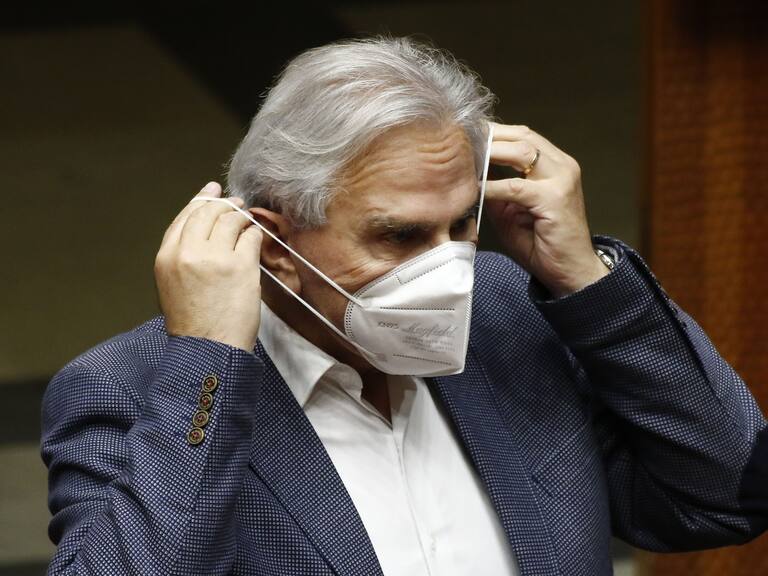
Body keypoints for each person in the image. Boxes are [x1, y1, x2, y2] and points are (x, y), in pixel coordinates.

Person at [41, 37, 767, 576]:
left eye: (461, 224)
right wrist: (206, 362)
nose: (449, 265)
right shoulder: (135, 390)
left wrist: (587, 281)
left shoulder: (511, 314)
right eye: (401, 235)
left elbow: (727, 496)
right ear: (274, 245)